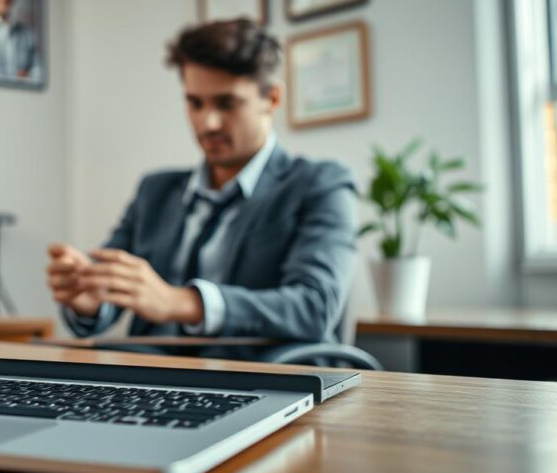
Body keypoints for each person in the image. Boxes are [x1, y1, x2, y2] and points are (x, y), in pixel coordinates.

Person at [46, 19, 357, 350]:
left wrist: (182, 303)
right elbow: (114, 290)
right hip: (149, 378)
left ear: (272, 98)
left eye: (227, 104)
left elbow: (315, 307)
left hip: (257, 381)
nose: (207, 123)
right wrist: (90, 297)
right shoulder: (155, 191)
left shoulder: (319, 184)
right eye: (195, 103)